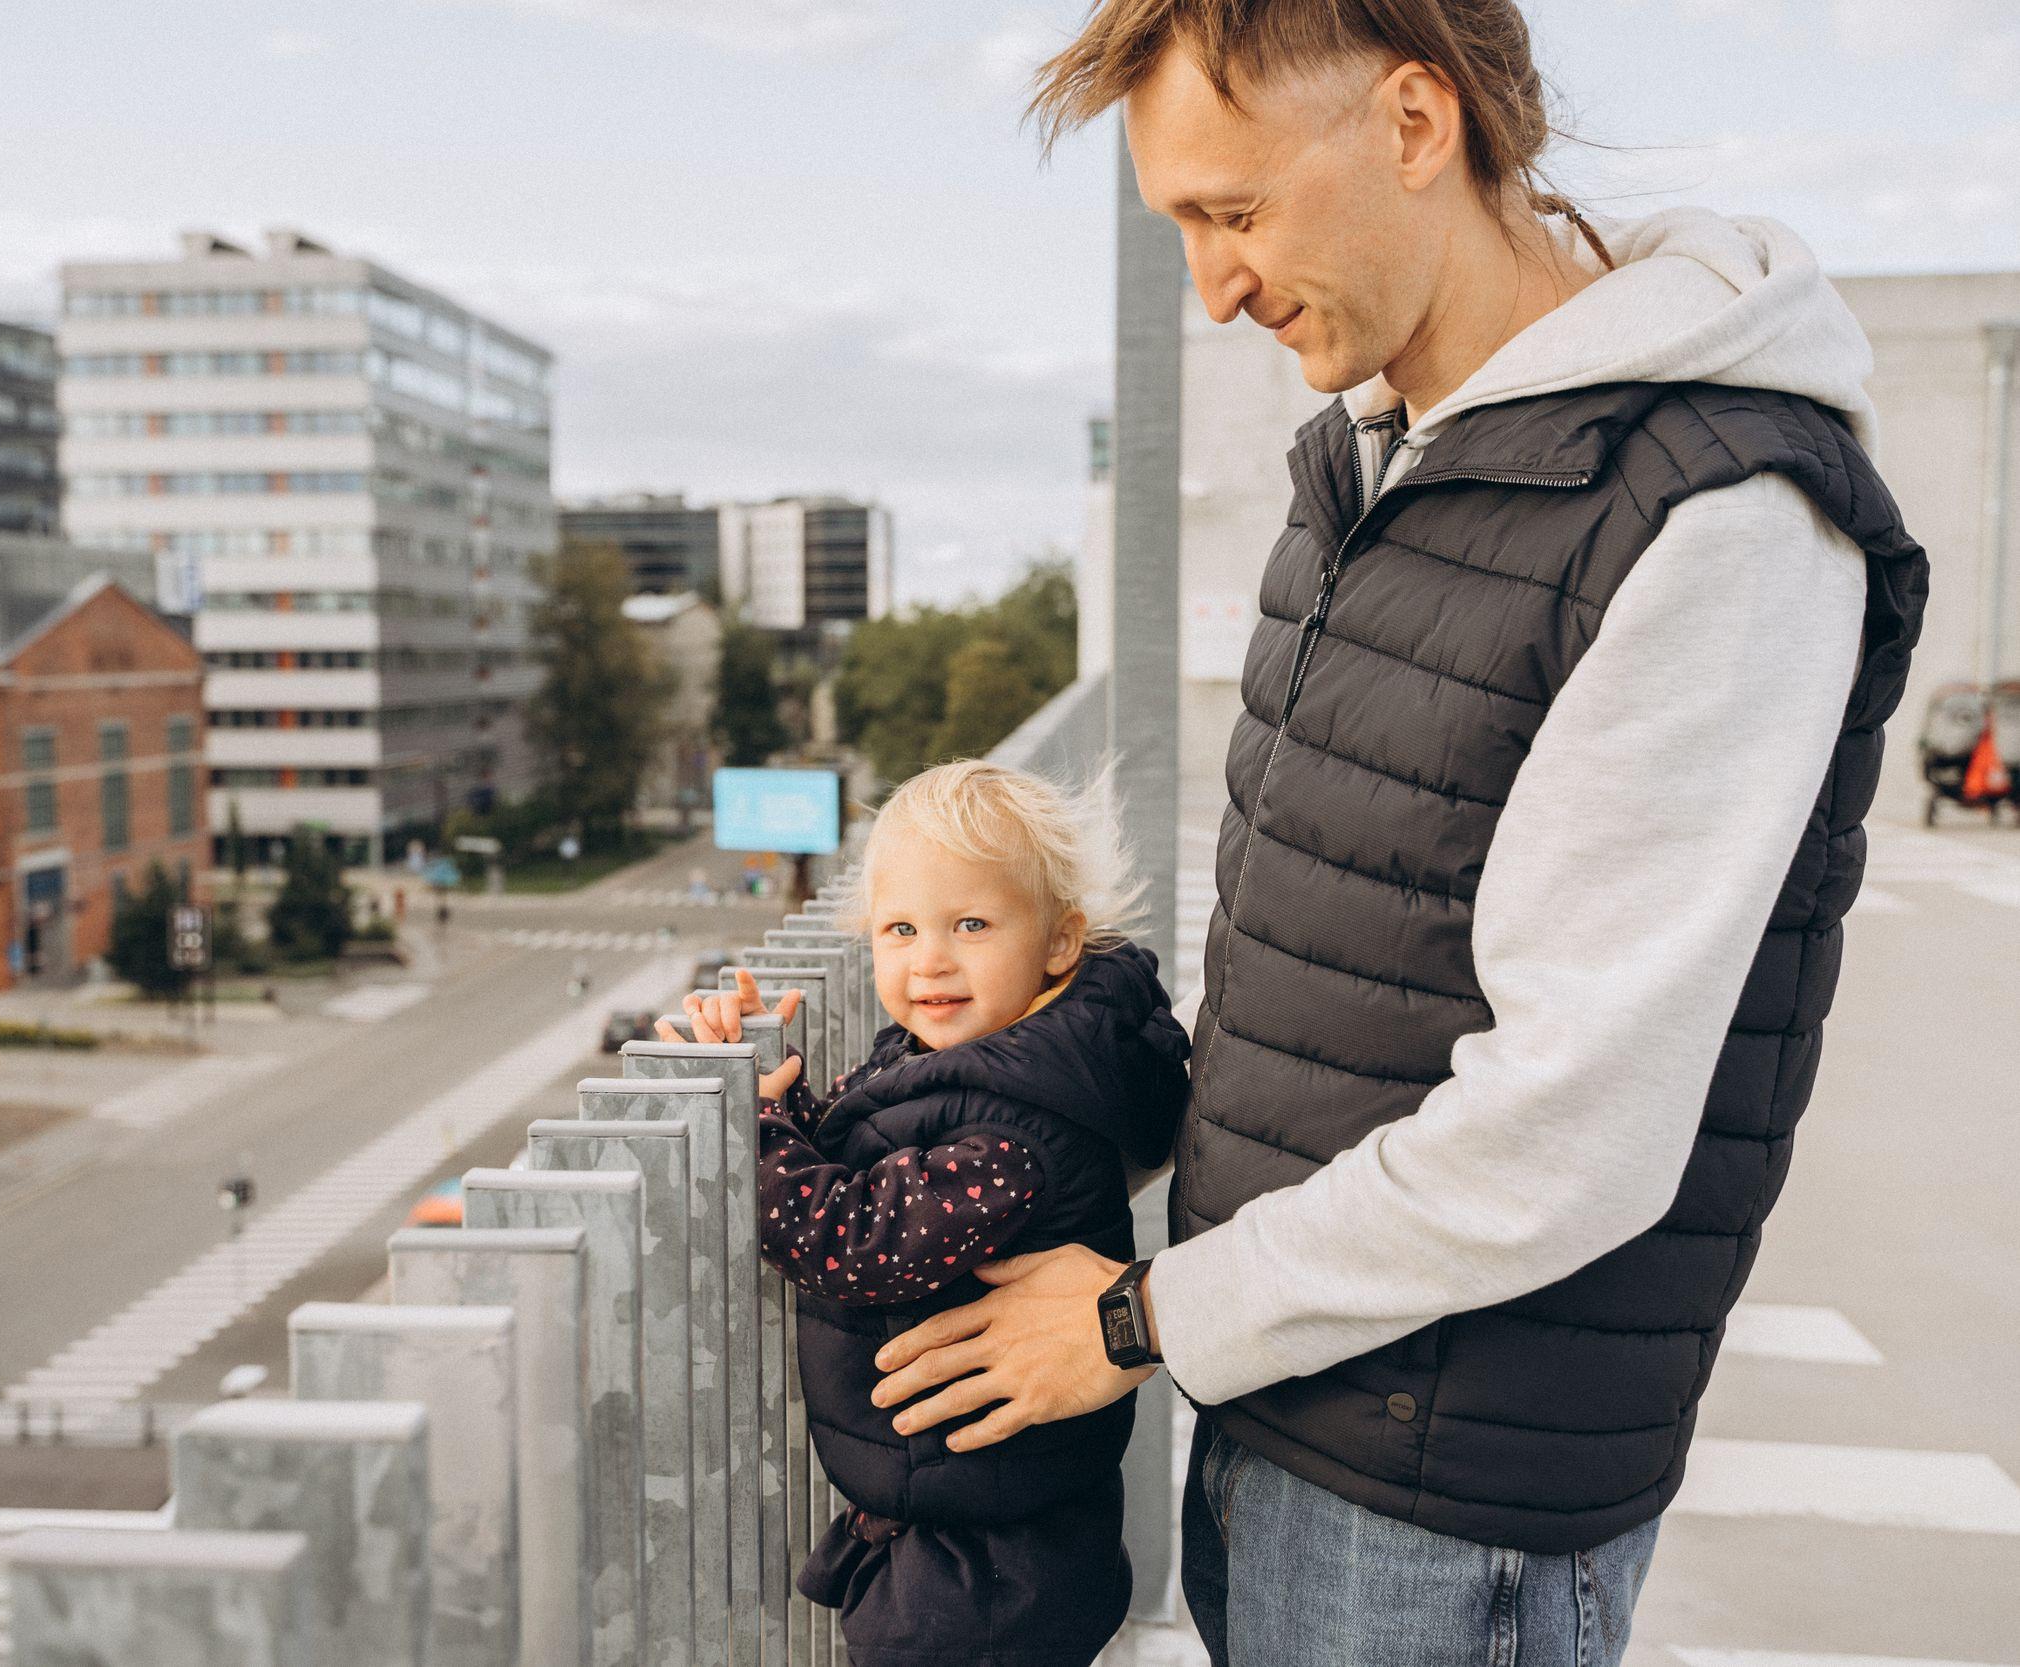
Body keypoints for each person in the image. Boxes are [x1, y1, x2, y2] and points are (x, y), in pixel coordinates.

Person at [865, 4, 1929, 1664]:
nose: (1215, 287)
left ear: (1415, 124)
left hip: (1450, 1494)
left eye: (1234, 213)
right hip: (1296, 1398)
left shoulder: (1716, 517)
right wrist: (956, 1101)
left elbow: (1573, 1131)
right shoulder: (1374, 466)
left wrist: (1143, 1320)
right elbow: (1325, 992)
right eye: (1182, 231)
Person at [664, 761, 1189, 1667]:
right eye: (900, 928)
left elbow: (857, 1236)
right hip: (970, 1529)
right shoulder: (974, 1061)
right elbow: (863, 1157)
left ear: (1060, 943)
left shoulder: (1011, 1127)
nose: (929, 958)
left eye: (971, 924)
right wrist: (774, 1093)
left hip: (986, 1572)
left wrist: (745, 1130)